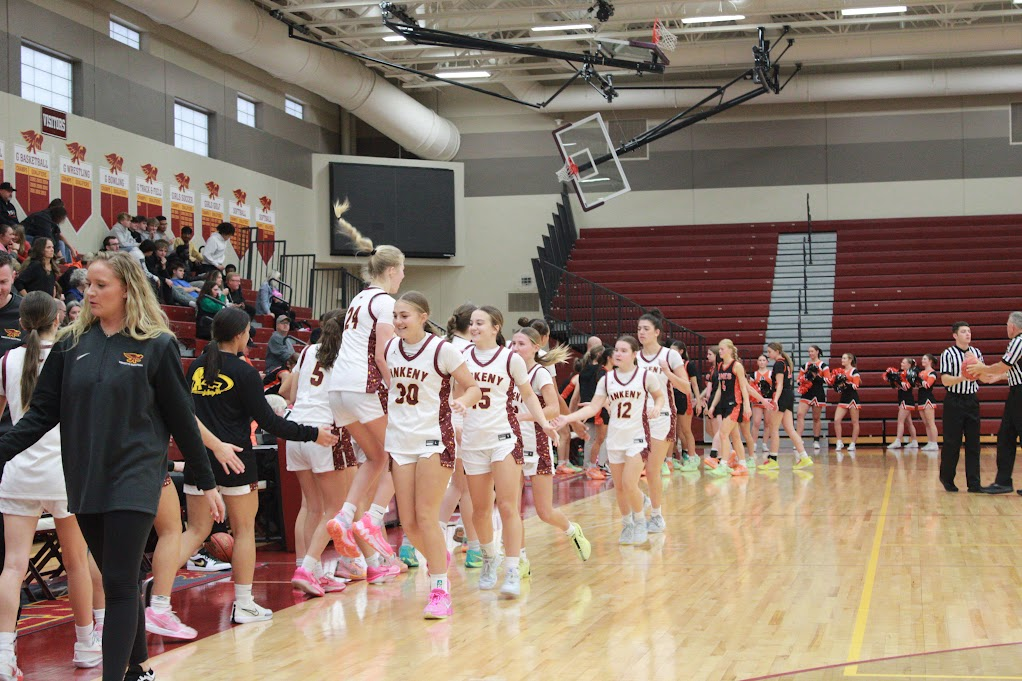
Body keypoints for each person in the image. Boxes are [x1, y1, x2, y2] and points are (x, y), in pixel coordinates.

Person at [0, 251, 224, 681]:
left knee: (118, 582)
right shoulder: (70, 344)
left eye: (101, 285)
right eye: (88, 285)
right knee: (119, 577)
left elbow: (183, 421)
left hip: (136, 477)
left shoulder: (156, 346)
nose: (90, 293)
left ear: (127, 288)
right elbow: (39, 415)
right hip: (85, 478)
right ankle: (138, 669)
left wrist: (206, 480)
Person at [182, 307, 336, 623]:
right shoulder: (244, 372)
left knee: (193, 533)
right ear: (239, 335)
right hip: (237, 461)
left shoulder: (195, 367)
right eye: (249, 333)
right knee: (243, 532)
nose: (251, 338)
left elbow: (186, 417)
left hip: (199, 459)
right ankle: (244, 604)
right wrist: (313, 434)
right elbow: (269, 422)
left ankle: (156, 602)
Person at [0, 293, 101, 679]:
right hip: (62, 471)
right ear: (57, 320)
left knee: (12, 566)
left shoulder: (7, 360)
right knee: (76, 562)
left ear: (22, 322)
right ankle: (85, 644)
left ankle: (4, 654)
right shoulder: (71, 356)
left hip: (18, 469)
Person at [383, 292, 482, 617]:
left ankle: (440, 588)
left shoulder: (443, 349)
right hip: (399, 441)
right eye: (395, 315)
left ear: (424, 317)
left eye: (405, 316)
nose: (398, 321)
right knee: (409, 523)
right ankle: (440, 560)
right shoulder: (389, 349)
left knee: (425, 516)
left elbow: (473, 387)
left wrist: (463, 403)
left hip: (433, 439)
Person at [325, 201, 405, 575]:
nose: (404, 276)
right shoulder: (386, 303)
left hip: (338, 388)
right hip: (364, 384)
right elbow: (382, 352)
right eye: (402, 270)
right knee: (397, 453)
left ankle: (344, 516)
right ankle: (372, 518)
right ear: (391, 270)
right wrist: (400, 394)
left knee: (374, 457)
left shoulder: (358, 298)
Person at [457, 306, 556, 598]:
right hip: (474, 440)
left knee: (508, 506)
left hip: (504, 438)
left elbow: (528, 395)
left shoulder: (510, 358)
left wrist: (544, 424)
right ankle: (490, 556)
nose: (474, 327)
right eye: (472, 323)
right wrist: (455, 421)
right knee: (480, 511)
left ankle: (512, 568)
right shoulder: (460, 357)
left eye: (480, 323)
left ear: (495, 327)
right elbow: (453, 395)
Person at [553, 335, 664, 546]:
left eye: (623, 350)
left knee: (629, 483)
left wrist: (657, 407)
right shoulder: (607, 379)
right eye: (616, 350)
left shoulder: (645, 377)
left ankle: (640, 521)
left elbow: (659, 396)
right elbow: (594, 407)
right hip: (615, 438)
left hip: (638, 437)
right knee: (620, 487)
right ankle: (627, 523)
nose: (618, 354)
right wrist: (568, 417)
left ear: (634, 354)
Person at [510, 326, 591, 571]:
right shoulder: (508, 370)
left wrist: (523, 417)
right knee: (513, 510)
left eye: (521, 344)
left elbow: (554, 408)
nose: (514, 348)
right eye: (512, 344)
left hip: (537, 444)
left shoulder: (540, 373)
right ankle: (520, 559)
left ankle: (571, 530)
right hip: (510, 445)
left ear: (536, 347)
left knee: (544, 511)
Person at [285, 310, 352, 596]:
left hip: (295, 430)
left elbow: (288, 393)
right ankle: (308, 568)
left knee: (309, 506)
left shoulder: (308, 350)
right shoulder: (347, 358)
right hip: (322, 432)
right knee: (334, 508)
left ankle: (307, 570)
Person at [434, 302, 483, 568]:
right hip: (459, 421)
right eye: (476, 323)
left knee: (461, 487)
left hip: (444, 421)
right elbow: (458, 392)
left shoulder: (444, 344)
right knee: (463, 487)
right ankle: (470, 545)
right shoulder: (464, 351)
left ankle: (472, 544)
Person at [635, 309, 690, 528]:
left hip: (663, 417)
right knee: (629, 474)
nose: (641, 332)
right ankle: (642, 501)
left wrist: (667, 372)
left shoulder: (670, 355)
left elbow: (685, 387)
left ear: (657, 332)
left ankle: (656, 516)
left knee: (651, 470)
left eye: (646, 329)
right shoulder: (635, 357)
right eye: (639, 329)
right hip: (637, 419)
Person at [965, 312, 1022, 495]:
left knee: (1007, 436)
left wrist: (984, 368)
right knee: (1005, 437)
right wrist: (995, 377)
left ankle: (1003, 481)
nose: (1006, 328)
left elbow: (1005, 364)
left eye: (1007, 325)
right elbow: (1011, 370)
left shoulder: (1018, 341)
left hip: (1020, 394)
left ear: (1012, 326)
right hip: (1016, 393)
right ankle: (1003, 481)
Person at [937, 322, 984, 493]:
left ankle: (974, 483)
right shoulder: (948, 354)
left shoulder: (977, 353)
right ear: (955, 335)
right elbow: (945, 380)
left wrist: (987, 371)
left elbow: (983, 376)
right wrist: (963, 377)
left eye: (969, 331)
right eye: (963, 331)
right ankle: (947, 478)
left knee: (974, 443)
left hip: (972, 401)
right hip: (954, 401)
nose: (968, 334)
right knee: (952, 443)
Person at [758, 342, 813, 471]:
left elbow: (780, 384)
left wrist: (775, 400)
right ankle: (804, 457)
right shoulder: (785, 363)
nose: (768, 354)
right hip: (788, 396)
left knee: (773, 428)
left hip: (782, 396)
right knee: (789, 429)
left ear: (777, 351)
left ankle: (773, 459)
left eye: (770, 351)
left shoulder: (778, 364)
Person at [706, 339, 753, 477]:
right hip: (725, 404)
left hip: (735, 404)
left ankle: (724, 464)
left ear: (730, 350)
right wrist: (713, 405)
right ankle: (743, 465)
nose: (720, 351)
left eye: (722, 349)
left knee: (723, 433)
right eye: (719, 349)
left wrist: (746, 405)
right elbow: (720, 388)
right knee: (735, 436)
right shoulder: (720, 366)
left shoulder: (737, 366)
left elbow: (744, 387)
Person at [670, 340, 700, 471]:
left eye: (674, 350)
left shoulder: (688, 365)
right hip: (672, 397)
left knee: (686, 430)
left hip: (684, 397)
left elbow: (694, 385)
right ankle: (672, 459)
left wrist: (698, 400)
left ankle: (692, 458)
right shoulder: (669, 366)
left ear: (681, 351)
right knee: (673, 432)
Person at [795, 345, 830, 451]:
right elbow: (798, 380)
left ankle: (816, 440)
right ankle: (798, 440)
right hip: (807, 392)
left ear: (817, 352)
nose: (810, 353)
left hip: (818, 393)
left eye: (812, 351)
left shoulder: (823, 365)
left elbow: (829, 380)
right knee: (800, 414)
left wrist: (816, 376)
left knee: (816, 418)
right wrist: (805, 377)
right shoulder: (805, 365)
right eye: (809, 351)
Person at [831, 353, 862, 453]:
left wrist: (845, 383)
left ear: (850, 360)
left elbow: (856, 385)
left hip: (853, 399)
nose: (842, 360)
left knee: (854, 422)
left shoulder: (854, 371)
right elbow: (838, 386)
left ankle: (853, 443)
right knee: (836, 420)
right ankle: (839, 441)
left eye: (844, 358)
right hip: (843, 398)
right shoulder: (841, 371)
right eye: (842, 358)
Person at [887, 358, 920, 450]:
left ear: (909, 365)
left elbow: (907, 386)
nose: (901, 363)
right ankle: (914, 441)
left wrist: (898, 381)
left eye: (904, 362)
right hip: (902, 399)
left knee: (900, 421)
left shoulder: (910, 374)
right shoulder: (901, 374)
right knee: (909, 422)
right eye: (901, 362)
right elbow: (897, 385)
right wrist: (892, 379)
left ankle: (898, 441)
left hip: (907, 400)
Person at [750, 354, 773, 457]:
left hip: (768, 400)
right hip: (757, 401)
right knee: (756, 422)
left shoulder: (771, 374)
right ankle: (753, 444)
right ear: (757, 362)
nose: (762, 362)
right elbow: (750, 387)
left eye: (764, 360)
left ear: (767, 362)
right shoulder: (753, 375)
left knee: (768, 423)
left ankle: (764, 444)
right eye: (760, 360)